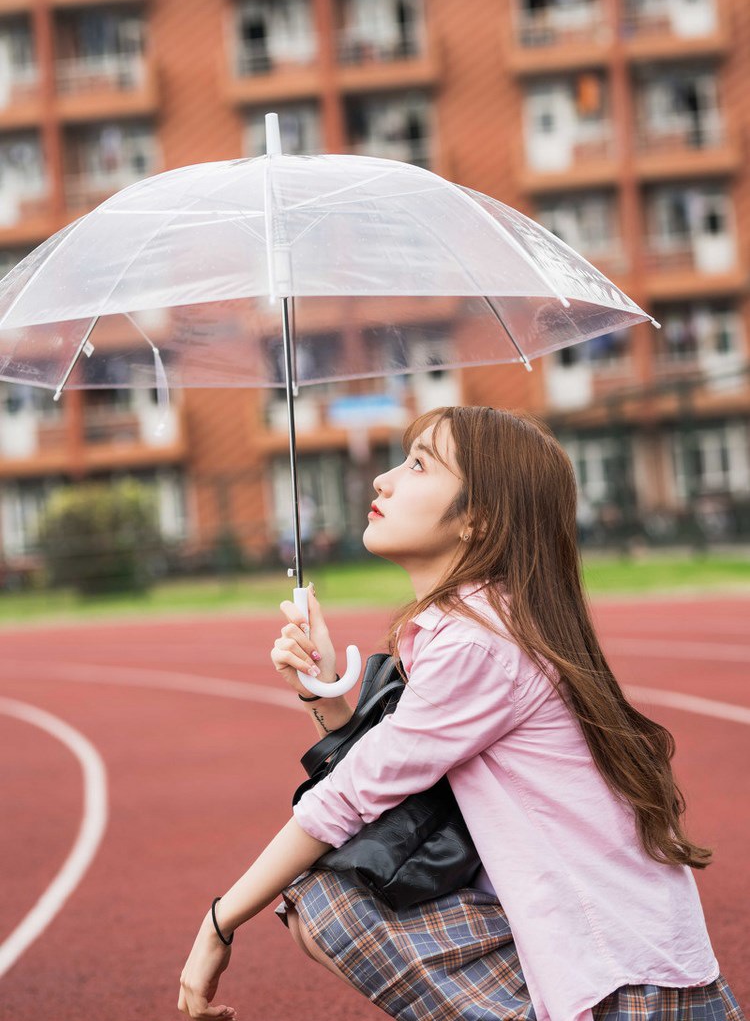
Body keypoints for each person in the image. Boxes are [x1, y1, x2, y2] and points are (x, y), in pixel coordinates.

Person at [177, 405, 745, 1021]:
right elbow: (398, 773)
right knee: (324, 889)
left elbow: (349, 798)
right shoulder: (484, 620)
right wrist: (327, 697)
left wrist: (218, 923)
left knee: (324, 890)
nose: (383, 479)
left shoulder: (480, 642)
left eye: (418, 465)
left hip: (624, 982)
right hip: (623, 958)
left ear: (477, 520)